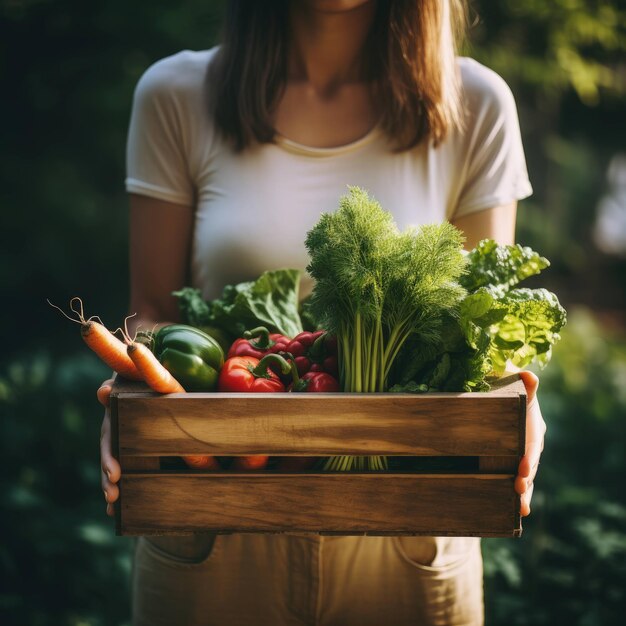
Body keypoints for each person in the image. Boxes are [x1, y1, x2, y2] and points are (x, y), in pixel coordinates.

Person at [98, 1, 546, 624]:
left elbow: (485, 333)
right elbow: (150, 316)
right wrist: (128, 399)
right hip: (213, 523)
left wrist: (520, 400)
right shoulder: (175, 94)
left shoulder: (476, 102)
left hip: (408, 525)